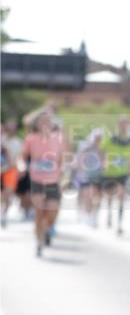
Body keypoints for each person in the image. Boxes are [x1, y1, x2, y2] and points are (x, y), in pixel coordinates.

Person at [20, 109, 66, 256]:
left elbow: (62, 158)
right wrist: (22, 165)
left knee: (51, 213)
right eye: (42, 121)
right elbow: (23, 156)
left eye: (48, 121)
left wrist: (64, 171)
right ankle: (39, 242)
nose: (45, 124)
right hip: (37, 180)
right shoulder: (31, 138)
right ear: (38, 124)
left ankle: (47, 230)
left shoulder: (58, 138)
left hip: (53, 180)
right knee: (40, 212)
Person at [99, 117, 130, 234]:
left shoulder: (129, 140)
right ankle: (109, 213)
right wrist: (103, 162)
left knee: (121, 196)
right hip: (110, 171)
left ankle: (119, 223)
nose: (124, 127)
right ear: (118, 125)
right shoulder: (110, 138)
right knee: (110, 196)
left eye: (126, 125)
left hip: (122, 172)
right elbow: (102, 150)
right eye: (122, 124)